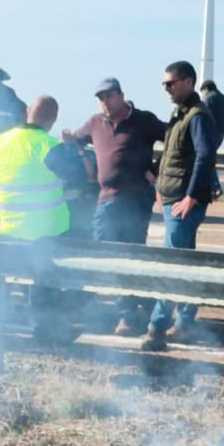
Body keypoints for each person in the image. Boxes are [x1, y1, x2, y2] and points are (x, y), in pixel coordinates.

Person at [67, 77, 164, 334]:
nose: (105, 103)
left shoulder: (144, 120)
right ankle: (137, 303)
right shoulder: (95, 123)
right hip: (107, 198)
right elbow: (75, 139)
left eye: (109, 96)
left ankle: (128, 315)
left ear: (121, 95)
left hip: (136, 199)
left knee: (130, 255)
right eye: (101, 98)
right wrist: (73, 147)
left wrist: (156, 169)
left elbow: (176, 139)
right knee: (101, 250)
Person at [141, 60, 218, 352]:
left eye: (170, 83)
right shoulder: (180, 115)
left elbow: (204, 155)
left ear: (187, 82)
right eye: (164, 84)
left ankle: (157, 327)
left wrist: (192, 196)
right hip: (174, 199)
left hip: (182, 204)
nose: (166, 89)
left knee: (172, 265)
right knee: (183, 262)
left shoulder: (197, 116)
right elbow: (174, 152)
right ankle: (185, 322)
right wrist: (156, 175)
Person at [0, 96, 80, 344]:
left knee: (5, 280)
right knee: (46, 283)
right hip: (45, 229)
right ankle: (45, 332)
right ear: (53, 120)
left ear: (28, 111)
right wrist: (72, 148)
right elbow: (77, 175)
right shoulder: (47, 144)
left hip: (9, 226)